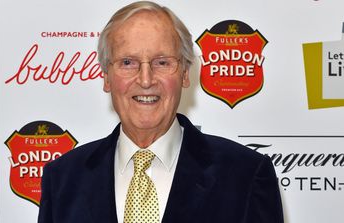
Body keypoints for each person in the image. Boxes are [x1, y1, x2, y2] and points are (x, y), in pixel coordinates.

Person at [38, 1, 284, 223]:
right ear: (106, 77)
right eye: (127, 62)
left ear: (185, 74)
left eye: (162, 62)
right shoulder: (62, 180)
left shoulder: (246, 175)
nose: (146, 80)